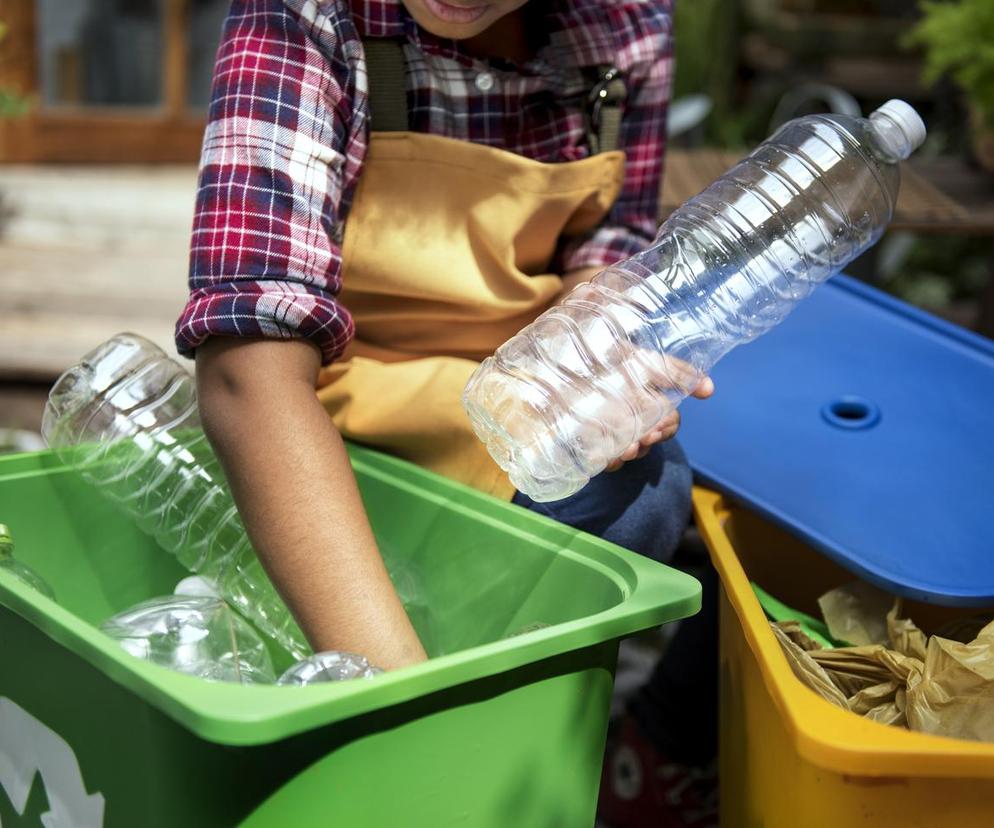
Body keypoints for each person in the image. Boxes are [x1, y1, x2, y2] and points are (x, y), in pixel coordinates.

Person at [176, 0, 716, 824]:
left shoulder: (625, 27)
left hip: (500, 407)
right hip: (327, 417)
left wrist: (601, 351)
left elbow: (608, 246)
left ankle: (516, 759)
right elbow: (248, 373)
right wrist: (404, 713)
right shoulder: (307, 17)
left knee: (645, 488)